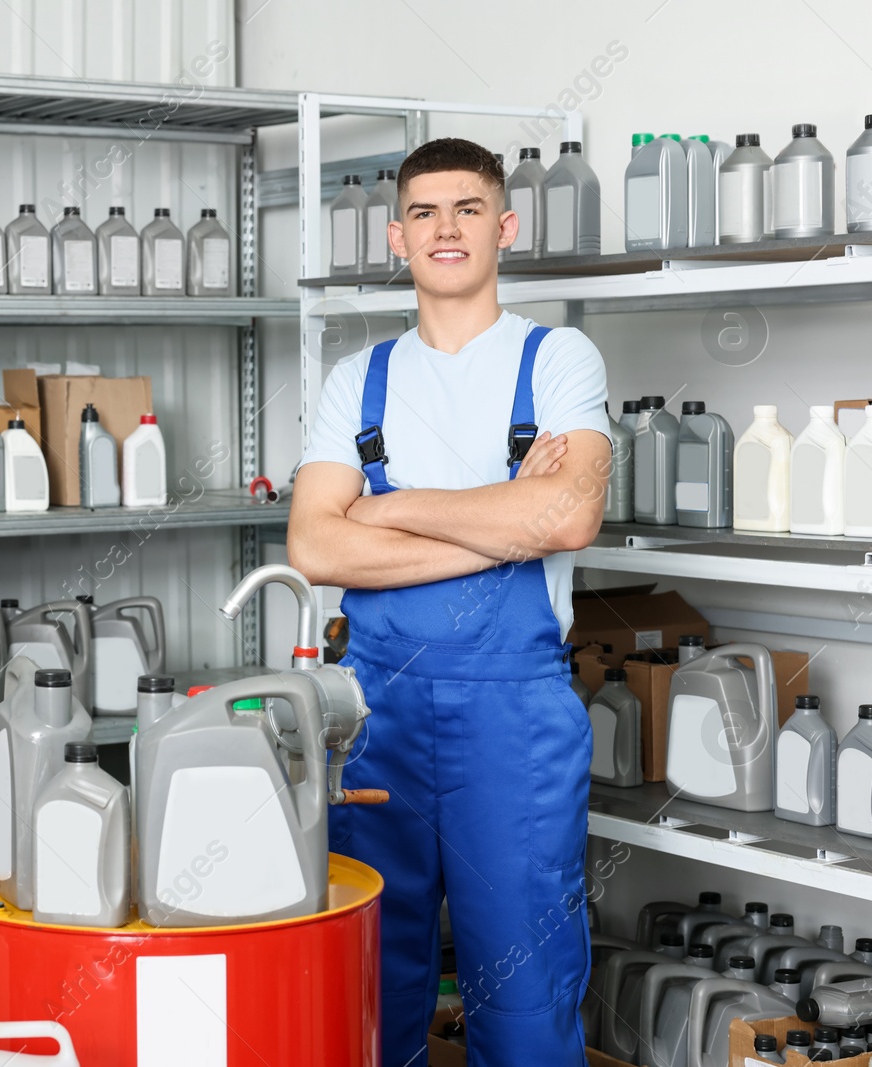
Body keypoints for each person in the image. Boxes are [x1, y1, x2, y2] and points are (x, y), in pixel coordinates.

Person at [288, 137, 611, 1066]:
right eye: (425, 212)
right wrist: (499, 516)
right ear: (398, 235)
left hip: (514, 719)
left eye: (467, 208)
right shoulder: (360, 378)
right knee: (369, 981)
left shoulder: (557, 358)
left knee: (521, 987)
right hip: (375, 714)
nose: (446, 228)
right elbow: (314, 545)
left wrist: (387, 509)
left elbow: (567, 515)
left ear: (503, 227)